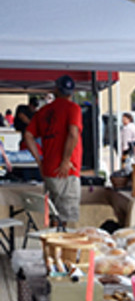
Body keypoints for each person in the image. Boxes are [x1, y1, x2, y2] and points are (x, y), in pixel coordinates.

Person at [23, 76, 82, 223]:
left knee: (54, 216)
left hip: (49, 169)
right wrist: (65, 161)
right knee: (66, 221)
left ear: (56, 89)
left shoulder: (43, 111)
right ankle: (60, 245)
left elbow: (28, 135)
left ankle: (51, 245)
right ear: (72, 92)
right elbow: (73, 134)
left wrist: (40, 161)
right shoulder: (73, 108)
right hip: (67, 170)